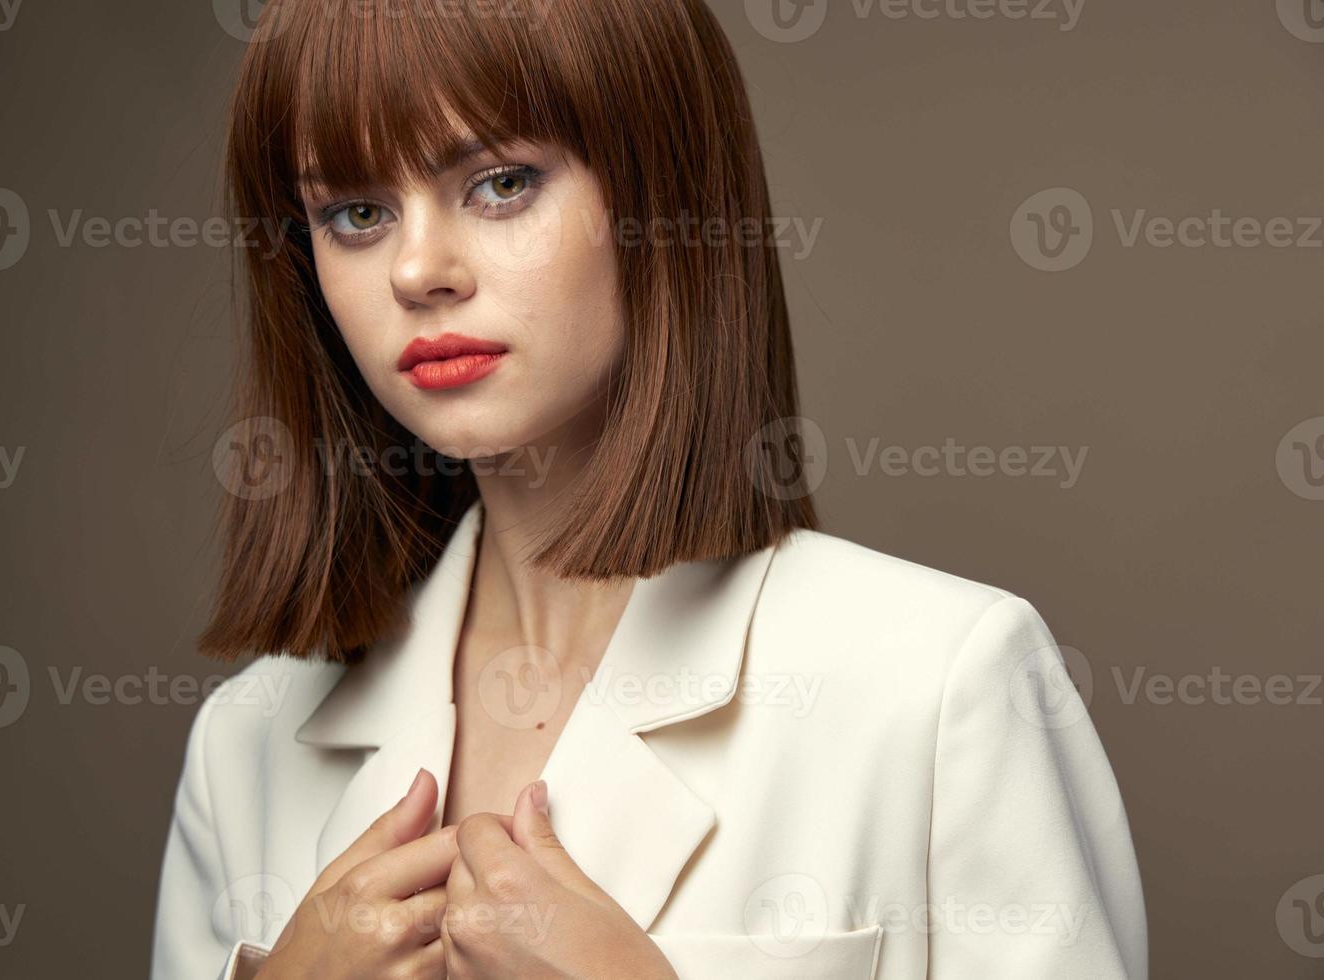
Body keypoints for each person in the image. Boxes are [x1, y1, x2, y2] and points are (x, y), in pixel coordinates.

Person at [151, 0, 1148, 976]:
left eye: (501, 182)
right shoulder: (245, 743)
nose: (418, 269)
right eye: (355, 212)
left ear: (663, 195)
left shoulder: (940, 686)